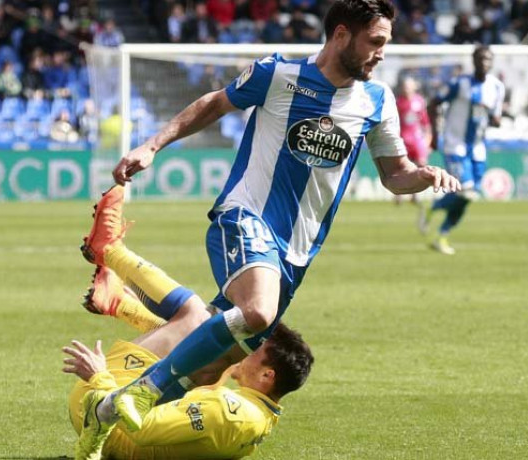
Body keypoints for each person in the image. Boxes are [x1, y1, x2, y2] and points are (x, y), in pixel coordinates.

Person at [77, 1, 459, 456]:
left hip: (295, 255)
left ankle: (103, 418)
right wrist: (153, 144)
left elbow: (394, 174)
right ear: (341, 35)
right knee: (257, 311)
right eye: (375, 42)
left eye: (386, 45)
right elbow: (214, 103)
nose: (381, 54)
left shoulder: (376, 101)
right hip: (246, 216)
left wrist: (424, 175)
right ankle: (144, 386)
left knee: (208, 362)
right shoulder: (278, 75)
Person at [68, 262, 313, 459]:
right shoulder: (259, 415)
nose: (247, 350)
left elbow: (143, 429)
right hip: (117, 432)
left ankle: (111, 251)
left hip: (104, 422)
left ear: (267, 375)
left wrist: (99, 377)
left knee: (194, 314)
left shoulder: (228, 412)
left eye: (256, 349)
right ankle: (121, 303)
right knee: (201, 353)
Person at [421, 45, 505, 255]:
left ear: (492, 62)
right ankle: (434, 209)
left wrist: (494, 118)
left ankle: (442, 234)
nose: (484, 63)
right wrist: (435, 134)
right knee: (465, 190)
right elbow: (433, 104)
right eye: (480, 59)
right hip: (454, 144)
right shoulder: (459, 83)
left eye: (488, 59)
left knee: (470, 195)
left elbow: (495, 119)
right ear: (474, 60)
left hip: (477, 148)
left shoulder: (496, 87)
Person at [394, 75, 432, 208]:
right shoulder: (398, 103)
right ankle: (398, 195)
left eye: (409, 86)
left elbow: (425, 122)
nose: (407, 89)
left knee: (421, 165)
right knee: (401, 167)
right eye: (405, 86)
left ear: (414, 87)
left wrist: (427, 139)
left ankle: (415, 195)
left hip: (416, 139)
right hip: (403, 138)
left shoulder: (419, 101)